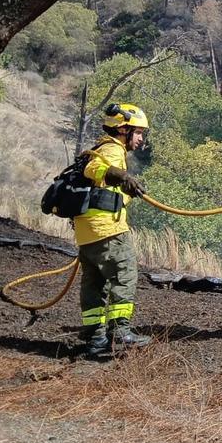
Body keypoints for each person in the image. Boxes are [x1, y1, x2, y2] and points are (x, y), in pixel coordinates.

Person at [74, 102, 154, 357]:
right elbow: (93, 169)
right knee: (125, 273)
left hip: (87, 232)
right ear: (122, 129)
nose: (141, 139)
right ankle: (120, 332)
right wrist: (122, 176)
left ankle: (95, 338)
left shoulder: (98, 147)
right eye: (138, 132)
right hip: (107, 229)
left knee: (95, 283)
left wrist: (123, 186)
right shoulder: (111, 149)